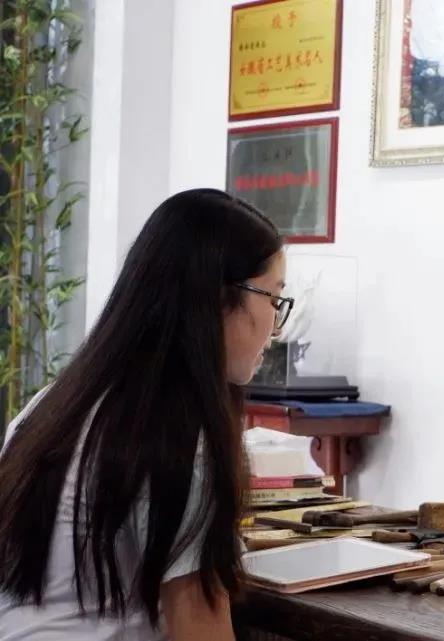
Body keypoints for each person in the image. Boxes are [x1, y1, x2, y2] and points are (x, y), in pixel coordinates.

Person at [0, 189, 294, 640]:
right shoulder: (179, 438)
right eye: (274, 299)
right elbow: (200, 630)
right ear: (218, 297)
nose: (276, 329)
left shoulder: (51, 405)